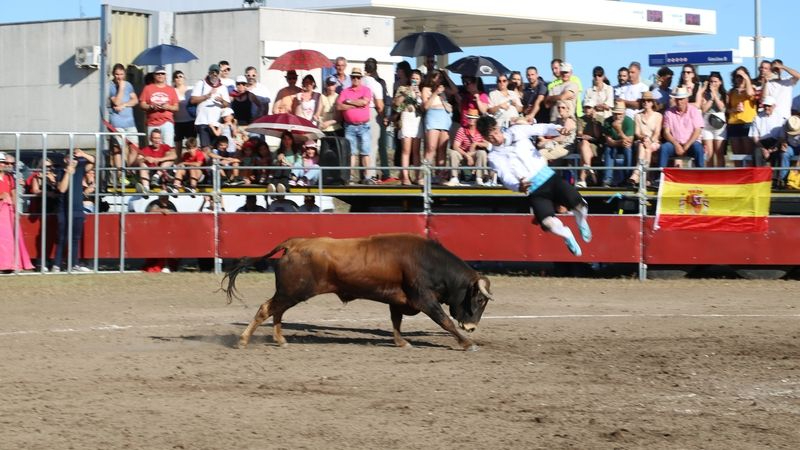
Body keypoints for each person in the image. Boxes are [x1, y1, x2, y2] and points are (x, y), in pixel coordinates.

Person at [476, 116, 591, 257]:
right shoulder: (494, 157)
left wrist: (557, 129)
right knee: (548, 223)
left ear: (498, 126)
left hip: (549, 177)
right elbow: (506, 177)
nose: (495, 136)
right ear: (485, 137)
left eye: (495, 131)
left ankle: (581, 220)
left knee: (580, 205)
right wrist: (518, 187)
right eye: (490, 135)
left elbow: (539, 128)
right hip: (533, 189)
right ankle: (567, 234)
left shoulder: (516, 131)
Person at [52, 149, 95, 273]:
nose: (73, 160)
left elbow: (94, 161)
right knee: (62, 237)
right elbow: (61, 189)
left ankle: (73, 264)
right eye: (70, 158)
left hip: (77, 209)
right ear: (65, 159)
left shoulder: (81, 168)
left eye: (75, 158)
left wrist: (83, 154)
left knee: (75, 238)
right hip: (64, 210)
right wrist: (68, 173)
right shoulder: (60, 171)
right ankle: (57, 264)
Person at [336, 67, 374, 184]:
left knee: (365, 152)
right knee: (351, 153)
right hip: (350, 126)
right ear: (351, 78)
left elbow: (364, 102)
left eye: (358, 77)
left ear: (361, 78)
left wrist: (348, 101)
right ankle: (350, 177)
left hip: (364, 126)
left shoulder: (366, 90)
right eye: (354, 77)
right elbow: (338, 106)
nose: (356, 79)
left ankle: (367, 177)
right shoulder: (345, 91)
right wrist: (355, 104)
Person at [421, 69, 458, 181]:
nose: (438, 80)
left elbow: (455, 91)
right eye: (436, 77)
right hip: (433, 117)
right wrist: (435, 93)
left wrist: (447, 76)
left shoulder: (444, 89)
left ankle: (440, 175)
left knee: (442, 149)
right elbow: (425, 106)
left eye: (440, 77)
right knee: (431, 148)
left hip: (444, 117)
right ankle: (425, 175)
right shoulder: (426, 89)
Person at [0, 152, 34, 272]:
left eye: (7, 163)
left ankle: (10, 264)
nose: (5, 165)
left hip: (8, 212)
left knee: (10, 238)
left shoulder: (9, 177)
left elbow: (13, 193)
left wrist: (15, 209)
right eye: (3, 162)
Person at [107, 63, 139, 185]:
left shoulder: (129, 85)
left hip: (130, 122)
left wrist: (125, 105)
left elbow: (135, 100)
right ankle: (120, 175)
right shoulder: (110, 86)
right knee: (118, 149)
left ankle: (129, 171)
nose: (119, 77)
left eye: (121, 74)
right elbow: (116, 101)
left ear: (124, 74)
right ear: (113, 75)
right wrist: (121, 87)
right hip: (117, 122)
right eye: (117, 74)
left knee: (134, 148)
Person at [659, 86, 705, 168]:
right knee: (664, 148)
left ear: (687, 99)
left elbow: (697, 130)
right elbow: (666, 132)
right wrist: (676, 145)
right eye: (677, 99)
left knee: (698, 147)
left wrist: (687, 145)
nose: (679, 101)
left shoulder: (694, 111)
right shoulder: (668, 112)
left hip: (691, 144)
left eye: (681, 99)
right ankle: (660, 176)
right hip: (675, 144)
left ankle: (701, 175)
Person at [191, 64, 232, 152]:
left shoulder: (223, 87)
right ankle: (207, 165)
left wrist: (221, 100)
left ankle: (213, 165)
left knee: (215, 148)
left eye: (216, 72)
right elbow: (193, 100)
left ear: (219, 73)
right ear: (209, 73)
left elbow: (227, 104)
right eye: (212, 72)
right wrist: (207, 96)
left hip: (216, 123)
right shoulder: (201, 83)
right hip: (203, 121)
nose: (214, 74)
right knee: (205, 148)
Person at [750, 96, 789, 185]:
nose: (767, 107)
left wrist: (771, 150)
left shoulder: (780, 118)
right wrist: (763, 149)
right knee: (757, 152)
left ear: (774, 106)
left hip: (775, 143)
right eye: (765, 105)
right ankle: (758, 180)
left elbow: (782, 138)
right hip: (762, 143)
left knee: (778, 153)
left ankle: (775, 181)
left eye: (769, 106)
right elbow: (755, 137)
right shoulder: (757, 118)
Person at [393, 69, 423, 185]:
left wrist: (419, 96)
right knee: (406, 150)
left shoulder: (421, 91)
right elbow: (396, 104)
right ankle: (405, 176)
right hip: (406, 117)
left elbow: (423, 108)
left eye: (417, 79)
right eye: (413, 78)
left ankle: (417, 176)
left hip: (417, 119)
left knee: (416, 151)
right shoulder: (402, 88)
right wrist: (408, 92)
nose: (415, 80)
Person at [446, 108, 490, 186]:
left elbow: (487, 144)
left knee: (482, 153)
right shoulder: (461, 130)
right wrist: (467, 155)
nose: (471, 119)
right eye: (469, 117)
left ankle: (479, 178)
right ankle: (454, 177)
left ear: (477, 119)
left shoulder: (480, 131)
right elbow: (456, 146)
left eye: (473, 118)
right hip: (463, 155)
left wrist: (476, 144)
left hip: (474, 155)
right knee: (453, 153)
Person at [139, 66, 179, 147]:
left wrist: (167, 107)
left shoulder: (171, 89)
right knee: (153, 148)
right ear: (154, 75)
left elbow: (176, 107)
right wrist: (151, 106)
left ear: (165, 76)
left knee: (167, 147)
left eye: (162, 73)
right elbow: (142, 104)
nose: (160, 75)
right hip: (152, 122)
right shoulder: (147, 88)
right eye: (158, 74)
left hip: (167, 122)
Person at [696, 71, 728, 167]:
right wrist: (711, 98)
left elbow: (722, 108)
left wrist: (715, 95)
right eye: (711, 81)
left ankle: (721, 176)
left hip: (719, 123)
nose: (713, 84)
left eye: (715, 81)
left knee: (719, 152)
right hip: (707, 122)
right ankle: (709, 175)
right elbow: (704, 109)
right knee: (708, 153)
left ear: (720, 82)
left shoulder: (724, 94)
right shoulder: (705, 94)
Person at [727, 66, 757, 164]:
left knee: (747, 154)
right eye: (737, 76)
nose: (739, 78)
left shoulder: (752, 88)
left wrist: (746, 78)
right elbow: (727, 109)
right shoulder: (731, 92)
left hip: (747, 122)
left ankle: (748, 177)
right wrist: (735, 109)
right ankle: (738, 176)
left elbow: (749, 94)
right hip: (734, 123)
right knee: (737, 155)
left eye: (741, 76)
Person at [631, 91, 662, 186]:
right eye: (643, 101)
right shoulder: (637, 116)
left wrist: (650, 140)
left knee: (647, 149)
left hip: (654, 141)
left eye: (648, 101)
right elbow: (637, 132)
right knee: (642, 146)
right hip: (641, 140)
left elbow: (657, 132)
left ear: (652, 102)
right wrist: (643, 138)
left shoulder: (658, 116)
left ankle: (637, 174)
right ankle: (645, 177)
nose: (646, 103)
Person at [136, 128, 176, 194]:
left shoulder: (165, 147)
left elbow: (174, 156)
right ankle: (146, 188)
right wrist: (145, 159)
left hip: (163, 173)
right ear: (150, 139)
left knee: (170, 160)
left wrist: (158, 159)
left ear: (161, 139)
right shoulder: (145, 149)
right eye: (155, 138)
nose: (157, 141)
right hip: (150, 174)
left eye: (158, 138)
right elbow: (137, 161)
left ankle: (157, 176)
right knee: (142, 164)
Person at [575, 99, 602, 187]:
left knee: (584, 150)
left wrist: (594, 121)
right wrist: (587, 137)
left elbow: (598, 136)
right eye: (585, 107)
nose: (586, 109)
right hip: (584, 142)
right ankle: (588, 168)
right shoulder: (580, 119)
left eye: (589, 107)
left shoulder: (600, 119)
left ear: (593, 109)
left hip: (596, 144)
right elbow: (579, 134)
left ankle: (582, 179)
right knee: (584, 143)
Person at [172, 70, 195, 154]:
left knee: (191, 145)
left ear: (184, 78)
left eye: (180, 76)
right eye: (176, 77)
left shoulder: (191, 89)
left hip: (190, 121)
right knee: (178, 146)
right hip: (177, 122)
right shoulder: (172, 91)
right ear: (174, 80)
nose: (178, 78)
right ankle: (178, 163)